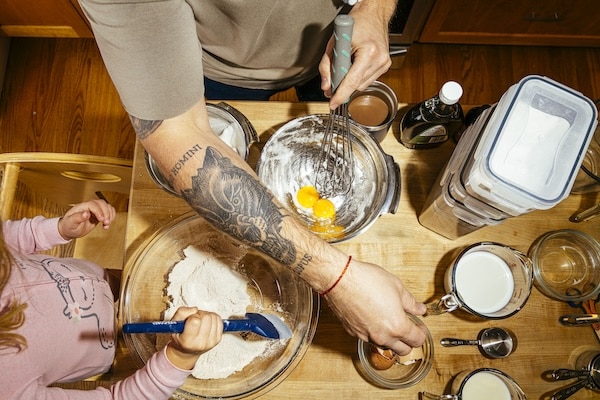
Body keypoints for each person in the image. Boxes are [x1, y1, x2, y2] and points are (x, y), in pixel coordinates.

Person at [77, 0, 428, 355]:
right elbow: (178, 134)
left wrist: (375, 8)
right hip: (226, 70)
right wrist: (337, 278)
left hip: (332, 45)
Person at [0, 199, 223, 399]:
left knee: (126, 284)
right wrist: (180, 357)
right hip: (106, 345)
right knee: (132, 342)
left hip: (98, 279)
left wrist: (58, 229)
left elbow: (8, 238)